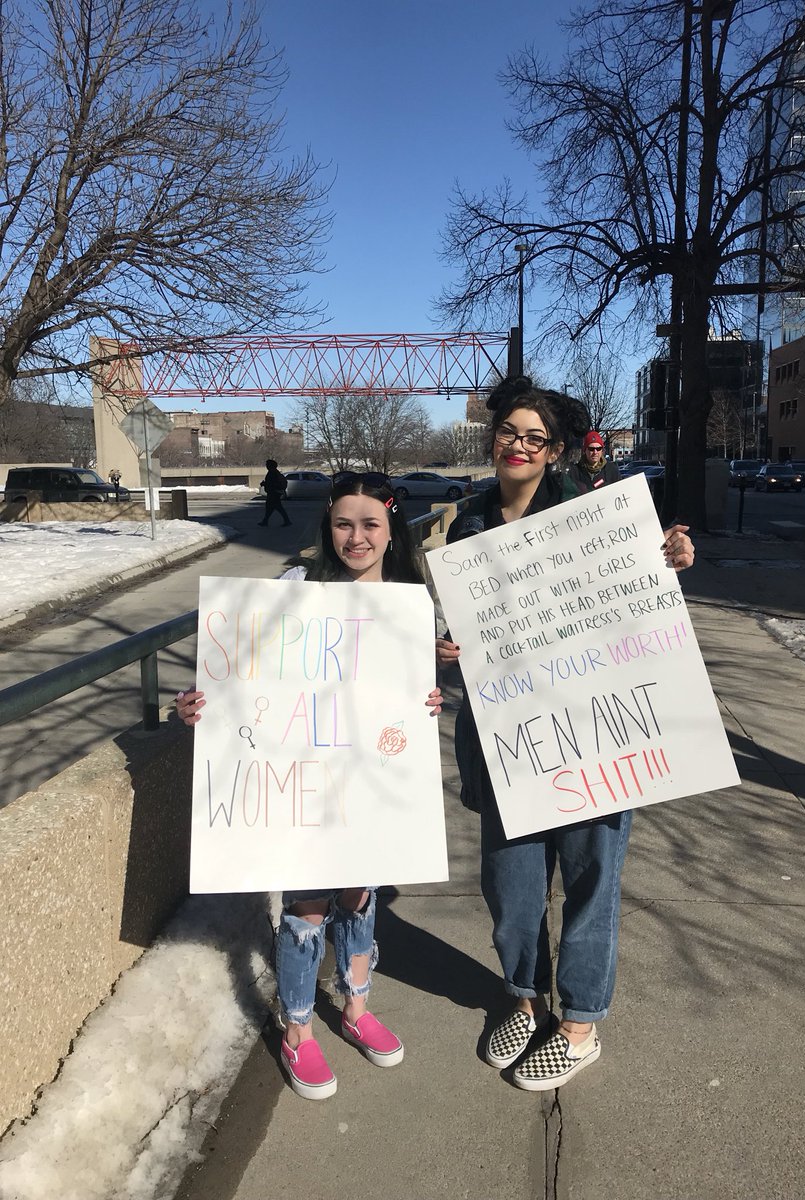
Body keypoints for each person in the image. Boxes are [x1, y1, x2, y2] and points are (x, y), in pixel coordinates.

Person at [436, 376, 694, 1093]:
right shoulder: (468, 524)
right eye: (508, 432)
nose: (518, 446)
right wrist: (448, 648)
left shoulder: (591, 512)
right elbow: (468, 626)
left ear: (554, 452)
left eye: (535, 437)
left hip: (590, 731)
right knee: (511, 886)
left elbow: (642, 584)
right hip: (508, 735)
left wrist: (670, 556)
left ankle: (579, 1024)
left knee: (589, 880)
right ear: (493, 438)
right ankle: (524, 998)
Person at [177, 472, 442, 1101]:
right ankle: (297, 1027)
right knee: (307, 907)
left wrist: (429, 701)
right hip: (303, 778)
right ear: (328, 526)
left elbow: (409, 693)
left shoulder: (408, 601)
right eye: (343, 523)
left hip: (372, 779)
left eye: (371, 524)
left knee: (359, 895)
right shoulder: (297, 587)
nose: (357, 537)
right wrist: (199, 703)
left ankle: (356, 1005)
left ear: (392, 529)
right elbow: (241, 669)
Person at [258, 458, 291, 527]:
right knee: (272, 507)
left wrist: (264, 484)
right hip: (275, 492)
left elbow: (271, 483)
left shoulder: (272, 473)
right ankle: (265, 521)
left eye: (267, 465)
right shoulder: (275, 472)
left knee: (275, 507)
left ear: (270, 465)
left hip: (273, 492)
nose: (266, 466)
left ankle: (287, 521)